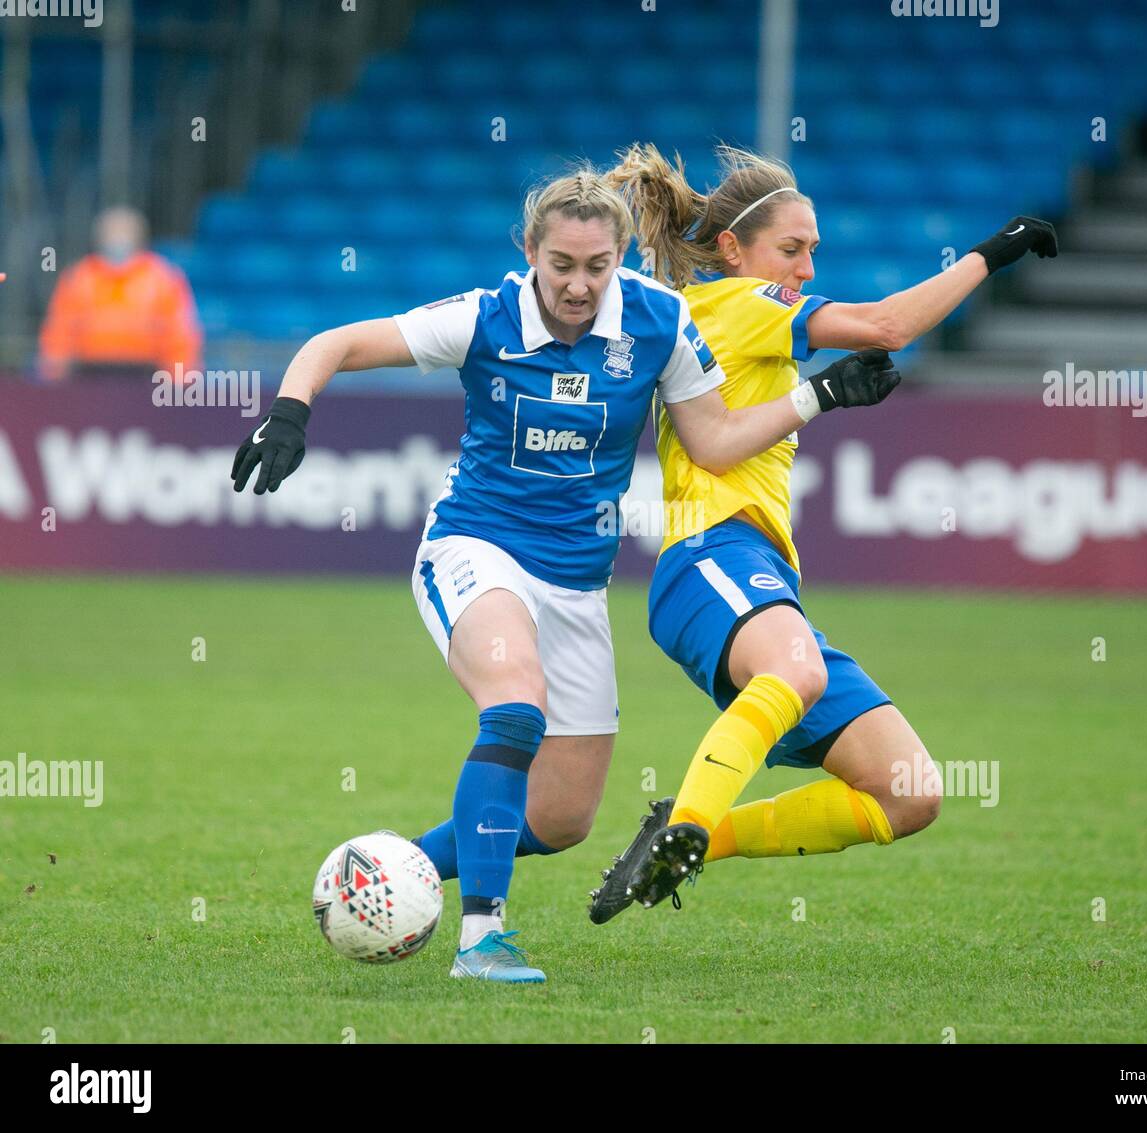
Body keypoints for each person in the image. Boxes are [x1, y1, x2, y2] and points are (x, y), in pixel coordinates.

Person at [230, 165, 898, 982]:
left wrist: (818, 395)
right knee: (515, 707)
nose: (578, 286)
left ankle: (389, 870)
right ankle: (483, 940)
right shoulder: (486, 316)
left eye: (597, 267)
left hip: (578, 583)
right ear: (530, 252)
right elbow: (335, 343)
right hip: (476, 548)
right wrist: (290, 411)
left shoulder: (659, 322)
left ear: (620, 256)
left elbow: (716, 441)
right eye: (561, 266)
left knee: (559, 816)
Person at [588, 143, 1058, 921]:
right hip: (710, 554)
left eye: (814, 251)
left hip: (758, 575)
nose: (806, 268)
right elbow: (885, 324)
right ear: (733, 249)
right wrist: (993, 252)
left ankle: (682, 838)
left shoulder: (730, 317)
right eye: (792, 249)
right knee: (798, 670)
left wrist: (820, 391)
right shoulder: (735, 303)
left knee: (909, 793)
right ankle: (690, 824)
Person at [37, 206, 202, 381]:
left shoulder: (163, 278)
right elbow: (58, 333)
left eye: (124, 232)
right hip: (87, 376)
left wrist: (179, 381)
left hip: (147, 377)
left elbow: (180, 336)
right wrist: (54, 376)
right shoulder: (77, 278)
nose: (118, 238)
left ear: (139, 237)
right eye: (111, 233)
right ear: (99, 238)